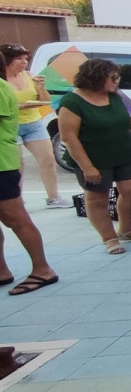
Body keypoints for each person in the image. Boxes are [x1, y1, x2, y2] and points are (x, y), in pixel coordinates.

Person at [57, 58, 131, 255]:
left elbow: (126, 118)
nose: (117, 81)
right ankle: (109, 238)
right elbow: (69, 138)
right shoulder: (72, 103)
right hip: (93, 158)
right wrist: (87, 167)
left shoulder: (112, 95)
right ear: (96, 78)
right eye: (113, 78)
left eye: (117, 77)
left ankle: (127, 229)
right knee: (97, 199)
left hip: (123, 152)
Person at [0, 50, 59, 295]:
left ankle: (43, 269)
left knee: (16, 219)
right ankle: (2, 271)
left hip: (2, 165)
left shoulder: (1, 88)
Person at [0, 44, 69, 208]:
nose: (24, 62)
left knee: (48, 159)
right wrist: (19, 106)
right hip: (11, 124)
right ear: (7, 60)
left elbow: (46, 101)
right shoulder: (2, 80)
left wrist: (40, 87)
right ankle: (17, 201)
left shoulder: (29, 75)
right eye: (19, 58)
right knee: (18, 165)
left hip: (33, 122)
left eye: (26, 58)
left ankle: (54, 197)